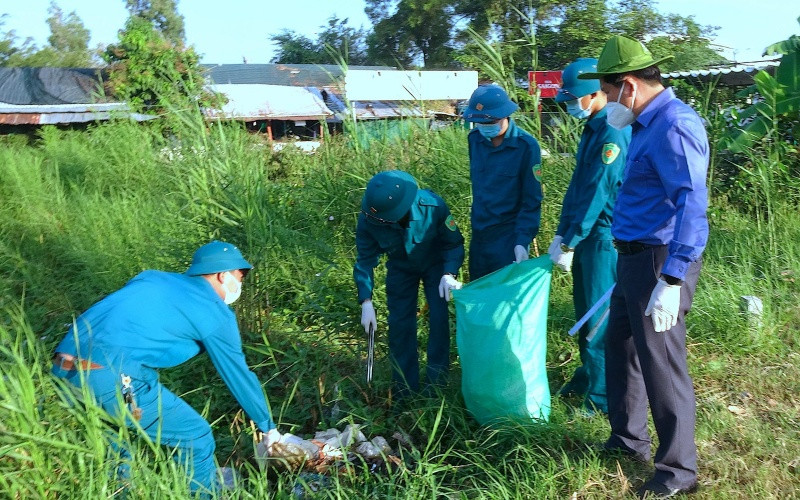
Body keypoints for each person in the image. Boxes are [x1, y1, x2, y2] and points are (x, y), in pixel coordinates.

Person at [578, 35, 708, 498]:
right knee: (621, 349)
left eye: (608, 92)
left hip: (659, 260)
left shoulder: (674, 125)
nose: (606, 100)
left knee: (661, 363)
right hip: (632, 258)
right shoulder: (644, 124)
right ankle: (628, 440)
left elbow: (692, 204)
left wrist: (672, 278)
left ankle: (678, 472)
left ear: (629, 86)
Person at [51, 241, 281, 494]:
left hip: (63, 369)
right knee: (195, 437)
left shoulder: (152, 278)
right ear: (222, 275)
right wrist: (268, 427)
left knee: (117, 446)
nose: (241, 282)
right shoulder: (214, 312)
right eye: (240, 275)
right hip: (110, 376)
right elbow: (238, 374)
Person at [548, 58, 631, 415]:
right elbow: (577, 188)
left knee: (598, 318)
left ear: (596, 94)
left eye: (573, 99)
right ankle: (587, 375)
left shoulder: (613, 130)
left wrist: (573, 239)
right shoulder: (592, 127)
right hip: (585, 235)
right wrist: (562, 233)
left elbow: (599, 191)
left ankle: (601, 398)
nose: (569, 105)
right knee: (583, 311)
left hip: (603, 237)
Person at [354, 170, 465, 400]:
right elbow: (365, 260)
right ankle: (404, 390)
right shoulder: (370, 218)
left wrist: (449, 273)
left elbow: (454, 243)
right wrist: (366, 301)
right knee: (400, 325)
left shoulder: (432, 206)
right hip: (400, 268)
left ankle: (436, 387)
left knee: (439, 321)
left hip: (436, 267)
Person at [462, 84, 543, 280]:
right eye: (480, 123)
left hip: (509, 237)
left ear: (505, 115)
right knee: (480, 291)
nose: (484, 127)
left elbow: (532, 199)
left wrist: (522, 241)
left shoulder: (526, 146)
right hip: (480, 236)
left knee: (506, 294)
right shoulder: (474, 139)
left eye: (490, 122)